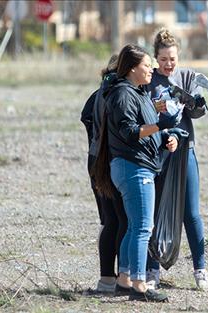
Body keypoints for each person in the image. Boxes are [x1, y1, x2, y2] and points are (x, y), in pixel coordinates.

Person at [92, 44, 180, 302]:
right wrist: (159, 125)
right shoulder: (122, 94)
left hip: (137, 165)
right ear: (132, 68)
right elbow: (130, 132)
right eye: (146, 65)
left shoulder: (138, 93)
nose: (152, 69)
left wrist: (165, 137)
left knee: (134, 226)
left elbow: (146, 130)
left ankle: (124, 279)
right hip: (133, 167)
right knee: (143, 227)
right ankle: (140, 285)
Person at [144, 28, 208, 291]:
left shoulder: (186, 76)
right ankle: (152, 270)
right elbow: (147, 117)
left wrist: (194, 101)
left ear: (178, 56)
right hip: (160, 152)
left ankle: (201, 269)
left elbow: (197, 113)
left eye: (172, 59)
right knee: (156, 211)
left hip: (186, 150)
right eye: (163, 60)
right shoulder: (150, 81)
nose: (168, 64)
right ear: (155, 58)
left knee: (191, 213)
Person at [80, 54, 127, 293]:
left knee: (110, 220)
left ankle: (107, 279)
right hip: (110, 161)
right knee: (122, 221)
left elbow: (86, 119)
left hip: (96, 160)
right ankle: (121, 279)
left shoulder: (100, 91)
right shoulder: (118, 92)